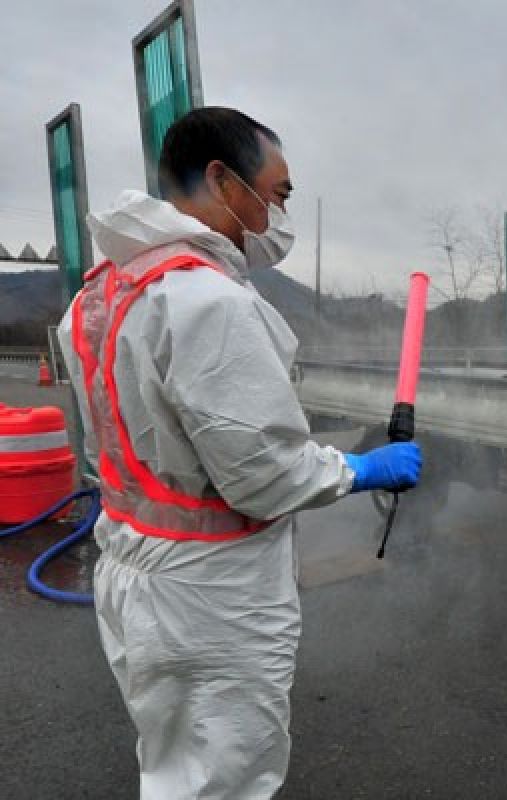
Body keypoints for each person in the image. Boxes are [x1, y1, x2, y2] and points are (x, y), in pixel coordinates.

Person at [57, 106, 421, 799]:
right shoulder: (208, 302)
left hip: (136, 565)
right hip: (210, 591)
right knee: (226, 776)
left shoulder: (103, 292)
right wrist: (359, 468)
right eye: (279, 193)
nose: (280, 212)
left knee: (172, 762)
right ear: (224, 181)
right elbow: (263, 473)